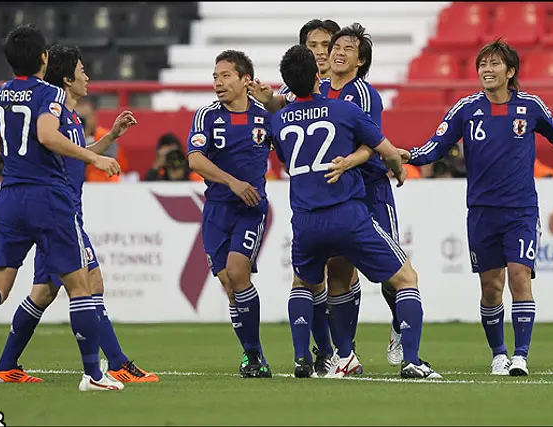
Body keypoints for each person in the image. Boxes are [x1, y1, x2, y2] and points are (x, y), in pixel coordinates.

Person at [0, 25, 122, 391]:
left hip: (8, 199)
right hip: (48, 199)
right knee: (80, 285)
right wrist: (94, 158)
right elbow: (47, 135)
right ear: (44, 59)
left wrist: (12, 150)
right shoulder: (50, 94)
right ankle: (94, 375)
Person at [399, 38, 553, 376]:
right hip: (482, 211)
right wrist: (409, 156)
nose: (487, 70)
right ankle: (499, 353)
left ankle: (520, 356)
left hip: (521, 210)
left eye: (495, 64)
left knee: (519, 276)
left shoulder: (530, 106)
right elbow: (438, 145)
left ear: (510, 72)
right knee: (491, 287)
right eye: (483, 65)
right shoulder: (466, 109)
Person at [0, 44, 158, 384]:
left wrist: (109, 137)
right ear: (67, 78)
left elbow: (76, 155)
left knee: (44, 291)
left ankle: (6, 365)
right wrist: (97, 157)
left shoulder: (68, 117)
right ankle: (115, 363)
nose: (88, 77)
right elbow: (66, 155)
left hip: (56, 211)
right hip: (58, 214)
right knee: (90, 283)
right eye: (82, 71)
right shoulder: (53, 117)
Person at [272, 44, 441, 379]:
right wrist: (400, 168)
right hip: (346, 214)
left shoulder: (278, 121)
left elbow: (284, 156)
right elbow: (388, 151)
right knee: (406, 278)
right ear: (318, 76)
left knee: (304, 284)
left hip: (305, 220)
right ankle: (411, 360)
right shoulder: (343, 111)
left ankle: (308, 359)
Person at [250, 22, 403, 375]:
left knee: (389, 275)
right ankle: (336, 353)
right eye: (313, 45)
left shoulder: (360, 94)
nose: (321, 51)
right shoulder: (299, 90)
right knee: (331, 275)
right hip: (329, 195)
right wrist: (268, 100)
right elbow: (282, 109)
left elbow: (374, 141)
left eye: (326, 44)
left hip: (368, 188)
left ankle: (397, 325)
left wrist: (360, 160)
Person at [187, 50, 272, 378]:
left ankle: (253, 355)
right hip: (217, 211)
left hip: (250, 209)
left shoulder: (265, 117)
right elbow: (195, 159)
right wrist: (232, 182)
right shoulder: (206, 116)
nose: (218, 82)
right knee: (228, 283)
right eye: (215, 76)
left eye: (225, 76)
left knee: (239, 274)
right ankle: (252, 353)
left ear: (245, 80)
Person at [78, 98, 129, 182]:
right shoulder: (68, 136)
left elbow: (108, 161)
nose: (81, 122)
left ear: (94, 116)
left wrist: (85, 137)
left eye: (85, 118)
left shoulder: (105, 136)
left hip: (105, 183)